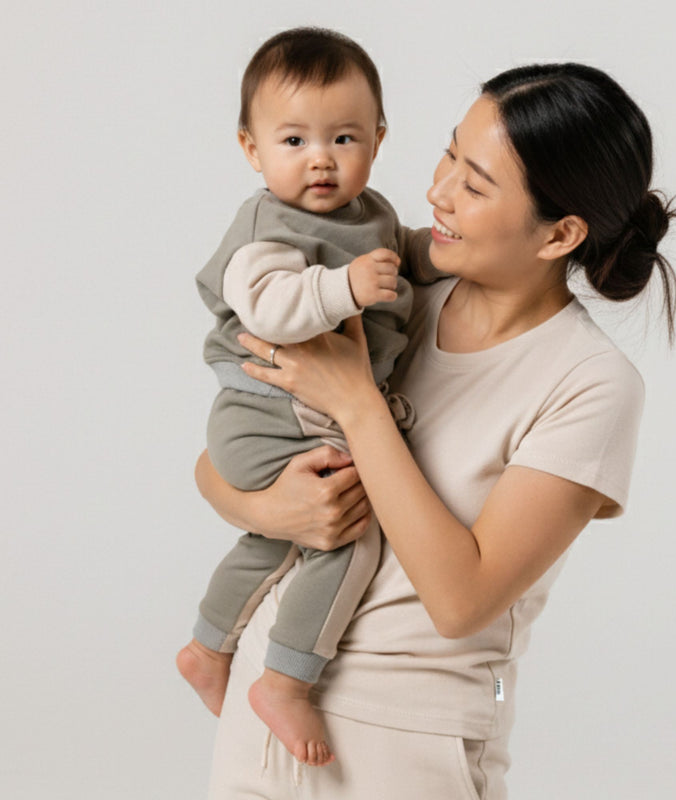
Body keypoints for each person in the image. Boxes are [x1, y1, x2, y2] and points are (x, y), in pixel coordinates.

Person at [195, 61, 676, 799]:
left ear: (560, 234)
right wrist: (273, 510)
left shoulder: (589, 384)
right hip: (265, 712)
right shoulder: (392, 291)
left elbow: (462, 600)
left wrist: (359, 404)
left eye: (475, 183)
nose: (437, 191)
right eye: (449, 153)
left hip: (410, 751)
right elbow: (219, 461)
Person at [176, 27, 438, 767]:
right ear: (251, 149)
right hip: (266, 412)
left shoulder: (367, 212)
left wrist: (432, 255)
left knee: (275, 539)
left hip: (295, 414)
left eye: (344, 137)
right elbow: (269, 306)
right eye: (292, 139)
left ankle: (205, 645)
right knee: (350, 533)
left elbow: (400, 251)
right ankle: (286, 680)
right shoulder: (268, 226)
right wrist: (343, 289)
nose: (320, 158)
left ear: (378, 142)